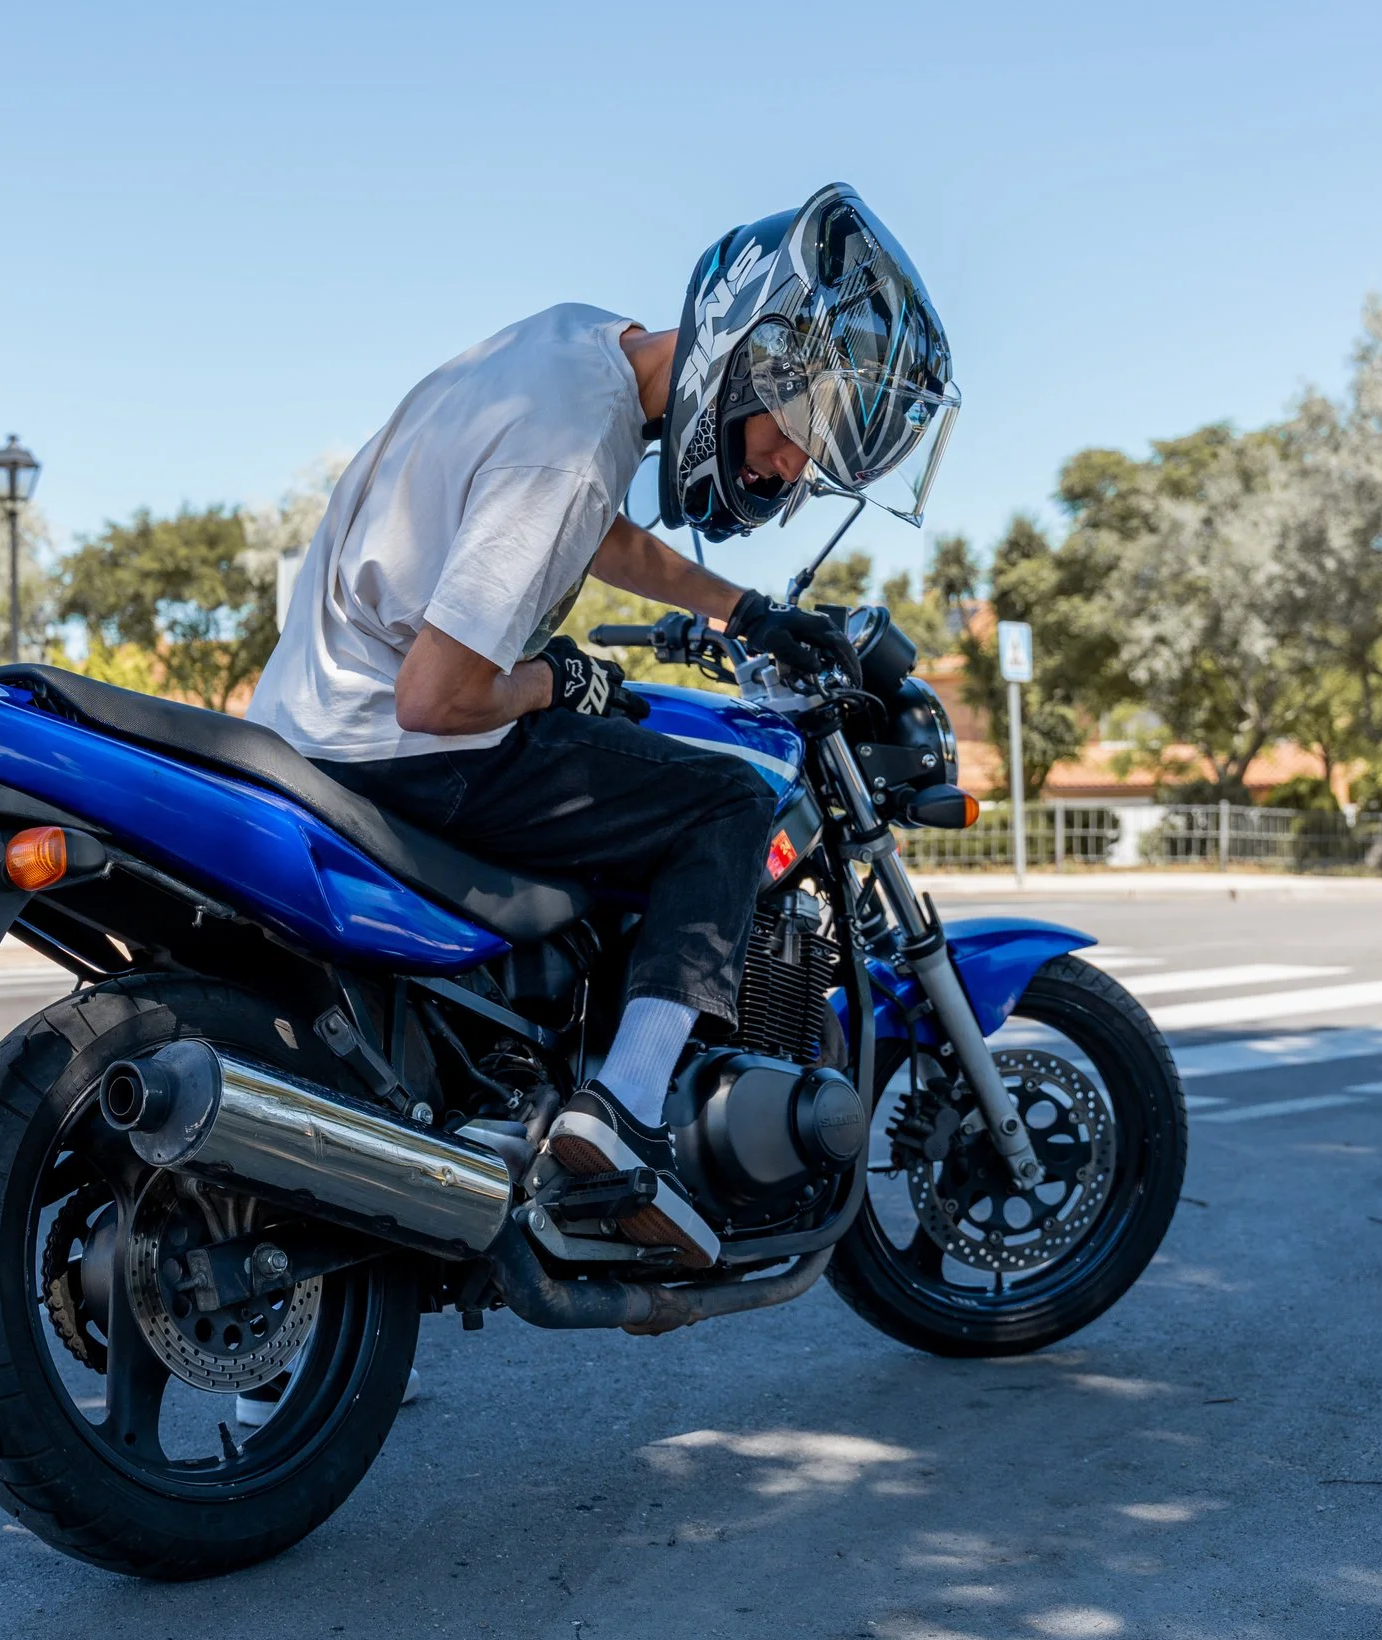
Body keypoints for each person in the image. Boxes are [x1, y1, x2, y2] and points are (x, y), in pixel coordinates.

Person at [246, 183, 955, 1262]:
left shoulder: (577, 349)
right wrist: (553, 678)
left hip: (312, 724)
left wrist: (743, 606)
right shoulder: (571, 446)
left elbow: (592, 533)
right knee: (724, 800)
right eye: (799, 434)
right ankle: (619, 1111)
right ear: (752, 359)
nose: (790, 471)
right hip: (403, 745)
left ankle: (282, 1366)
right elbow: (438, 696)